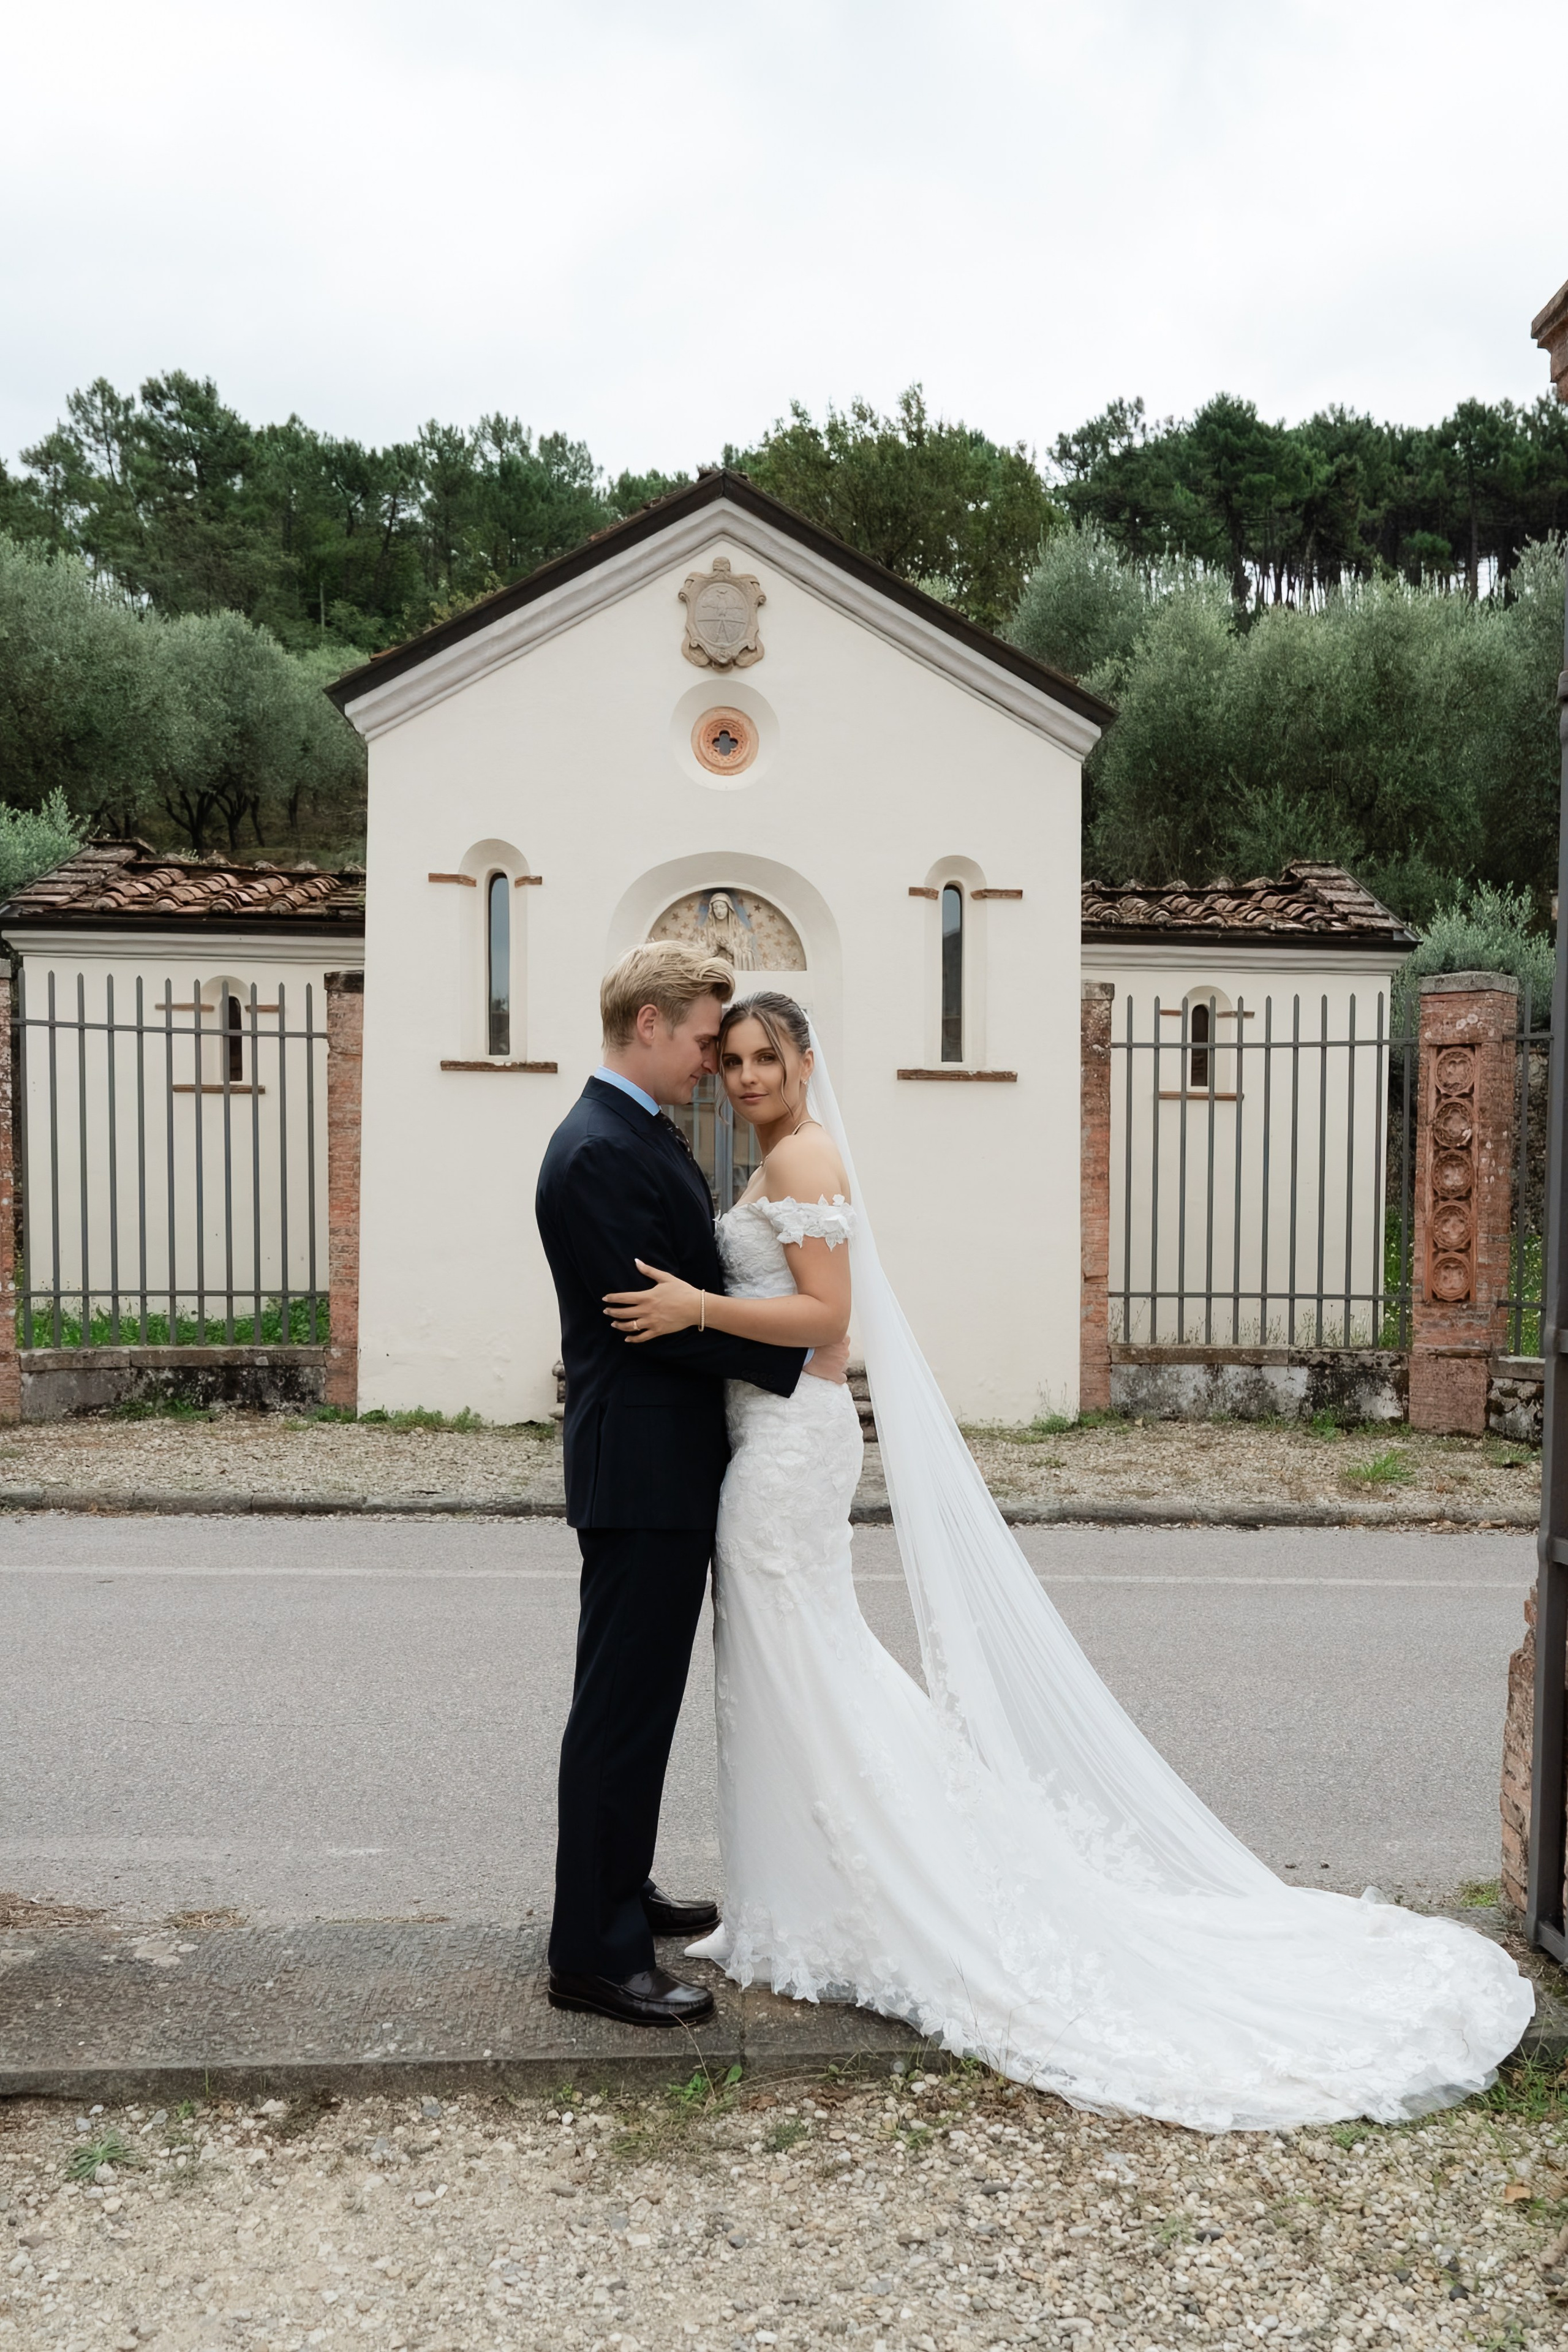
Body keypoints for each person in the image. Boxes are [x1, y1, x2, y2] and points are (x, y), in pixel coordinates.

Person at [603, 990, 1535, 2129]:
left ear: (805, 1060)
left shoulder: (804, 1158)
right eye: (734, 1058)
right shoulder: (777, 1157)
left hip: (791, 1444)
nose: (745, 1076)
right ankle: (796, 1898)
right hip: (771, 1438)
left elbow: (828, 1319)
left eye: (765, 1057)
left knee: (806, 1660)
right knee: (790, 1665)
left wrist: (700, 1304)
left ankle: (885, 1897)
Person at [533, 946, 848, 2031]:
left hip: (671, 1462)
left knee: (638, 1703)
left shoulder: (631, 1133)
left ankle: (619, 1891)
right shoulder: (596, 1152)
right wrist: (791, 1368)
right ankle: (595, 1955)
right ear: (654, 1023)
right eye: (710, 1040)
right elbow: (652, 1320)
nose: (717, 1063)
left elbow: (691, 1296)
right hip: (644, 1468)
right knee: (620, 1712)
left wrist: (784, 1364)